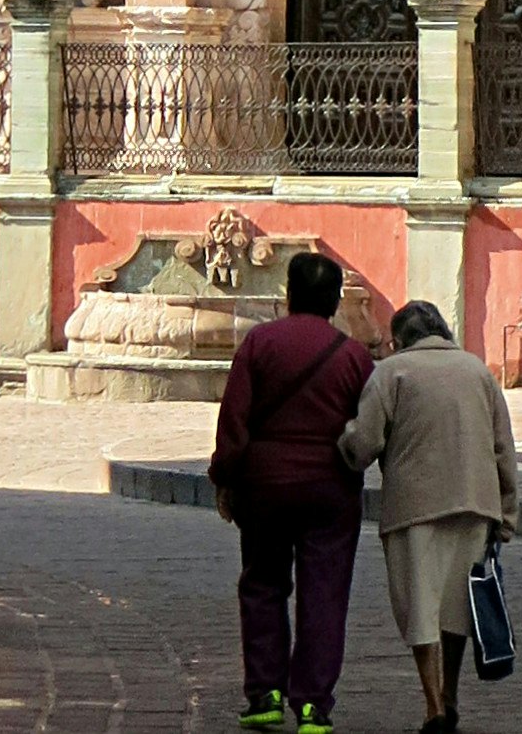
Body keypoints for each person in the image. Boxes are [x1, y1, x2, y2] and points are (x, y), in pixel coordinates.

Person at [211, 252, 378, 734]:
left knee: (263, 584)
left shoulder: (260, 342)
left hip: (264, 486)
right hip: (330, 490)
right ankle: (312, 706)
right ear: (333, 301)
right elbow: (367, 426)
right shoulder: (352, 355)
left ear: (289, 294)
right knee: (324, 593)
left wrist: (226, 476)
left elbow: (234, 418)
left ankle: (264, 694)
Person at [337, 299, 521, 730]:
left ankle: (433, 704)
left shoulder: (391, 373)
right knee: (459, 608)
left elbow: (363, 443)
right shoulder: (478, 371)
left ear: (398, 340)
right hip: (476, 503)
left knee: (420, 607)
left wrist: (343, 441)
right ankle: (451, 695)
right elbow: (503, 447)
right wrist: (507, 511)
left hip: (414, 508)